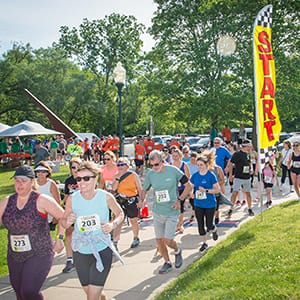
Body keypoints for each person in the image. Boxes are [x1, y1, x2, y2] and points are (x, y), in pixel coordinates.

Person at [0, 165, 65, 299]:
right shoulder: (7, 201)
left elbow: (63, 217)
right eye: (17, 180)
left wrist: (59, 239)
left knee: (29, 291)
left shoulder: (41, 200)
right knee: (19, 291)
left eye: (23, 180)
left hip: (40, 252)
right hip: (15, 254)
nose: (19, 184)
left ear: (32, 182)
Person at [62, 161, 124, 300]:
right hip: (80, 252)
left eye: (86, 178)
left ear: (96, 178)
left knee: (91, 297)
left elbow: (120, 214)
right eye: (79, 179)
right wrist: (68, 221)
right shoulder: (73, 199)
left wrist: (112, 225)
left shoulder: (105, 197)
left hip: (101, 250)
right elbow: (63, 222)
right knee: (91, 292)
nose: (82, 182)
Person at [141, 150, 192, 274]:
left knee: (168, 240)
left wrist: (179, 200)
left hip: (172, 211)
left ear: (163, 161)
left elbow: (189, 185)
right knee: (159, 240)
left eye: (156, 165)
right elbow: (144, 189)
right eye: (151, 165)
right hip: (158, 211)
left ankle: (177, 250)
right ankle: (167, 262)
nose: (154, 168)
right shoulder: (150, 174)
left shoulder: (173, 171)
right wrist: (141, 200)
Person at [190, 150, 220, 252]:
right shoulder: (195, 176)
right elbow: (190, 186)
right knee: (200, 224)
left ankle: (214, 229)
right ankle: (204, 243)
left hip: (210, 204)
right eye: (198, 165)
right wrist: (191, 193)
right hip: (198, 203)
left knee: (209, 224)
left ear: (206, 165)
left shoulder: (211, 175)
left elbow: (217, 189)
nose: (199, 167)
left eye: (201, 165)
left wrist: (206, 190)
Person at [112, 157, 143, 249]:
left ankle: (136, 237)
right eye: (118, 165)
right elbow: (113, 188)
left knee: (133, 220)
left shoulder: (133, 175)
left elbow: (140, 189)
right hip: (120, 200)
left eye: (122, 164)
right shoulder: (116, 176)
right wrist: (117, 178)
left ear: (127, 165)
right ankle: (115, 242)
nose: (120, 167)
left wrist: (141, 200)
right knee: (118, 221)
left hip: (132, 200)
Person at [61, 157, 81, 273]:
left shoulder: (85, 179)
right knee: (69, 234)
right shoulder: (68, 181)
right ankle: (70, 259)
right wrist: (63, 208)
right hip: (71, 211)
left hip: (83, 211)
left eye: (78, 167)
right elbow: (66, 196)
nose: (76, 169)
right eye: (73, 167)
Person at [227, 139, 255, 217]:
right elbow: (231, 164)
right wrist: (230, 175)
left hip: (247, 177)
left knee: (248, 193)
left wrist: (251, 169)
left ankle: (249, 208)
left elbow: (250, 163)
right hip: (238, 177)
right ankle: (231, 208)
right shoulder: (237, 154)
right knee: (235, 193)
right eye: (249, 146)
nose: (250, 148)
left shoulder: (248, 154)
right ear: (245, 146)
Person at [34, 161, 61, 231]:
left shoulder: (51, 184)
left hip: (49, 217)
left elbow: (57, 201)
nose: (40, 174)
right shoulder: (32, 183)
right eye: (38, 171)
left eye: (43, 172)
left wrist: (55, 217)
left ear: (47, 173)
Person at [170, 148, 190, 233]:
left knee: (180, 207)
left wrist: (188, 190)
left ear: (180, 156)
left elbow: (188, 177)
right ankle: (173, 224)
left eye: (176, 156)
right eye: (173, 156)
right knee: (172, 207)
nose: (175, 157)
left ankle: (180, 224)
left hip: (182, 188)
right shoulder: (170, 165)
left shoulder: (184, 165)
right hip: (172, 189)